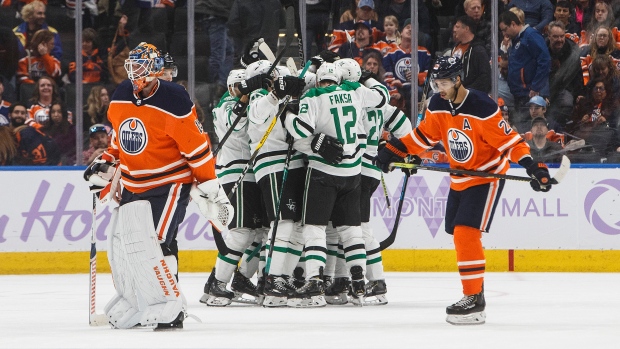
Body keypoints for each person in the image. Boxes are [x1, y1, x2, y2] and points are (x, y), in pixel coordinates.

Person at [374, 56, 554, 325]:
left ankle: (474, 299)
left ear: (458, 80)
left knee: (465, 233)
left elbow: (510, 143)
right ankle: (476, 291)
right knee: (457, 234)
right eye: (436, 83)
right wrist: (395, 149)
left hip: (487, 175)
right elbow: (423, 137)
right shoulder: (437, 104)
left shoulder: (482, 106)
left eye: (444, 82)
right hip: (460, 176)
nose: (440, 88)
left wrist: (532, 166)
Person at [83, 42, 233, 330]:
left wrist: (209, 185)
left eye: (140, 65)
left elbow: (196, 147)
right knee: (128, 245)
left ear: (155, 69)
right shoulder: (122, 94)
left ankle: (170, 305)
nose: (133, 71)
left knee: (154, 242)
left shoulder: (174, 98)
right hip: (132, 181)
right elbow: (120, 138)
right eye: (132, 65)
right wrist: (106, 164)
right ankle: (137, 299)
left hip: (169, 182)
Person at [282, 61, 390, 307]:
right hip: (353, 173)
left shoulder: (313, 97)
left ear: (319, 80)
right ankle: (359, 285)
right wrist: (368, 77)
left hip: (323, 172)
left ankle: (315, 283)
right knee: (351, 231)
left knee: (314, 229)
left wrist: (287, 114)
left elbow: (301, 130)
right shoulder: (355, 91)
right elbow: (383, 98)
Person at [500, 10, 551, 128]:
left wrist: (536, 86)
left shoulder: (530, 35)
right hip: (519, 94)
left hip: (529, 94)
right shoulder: (515, 39)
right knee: (522, 127)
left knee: (529, 127)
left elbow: (545, 60)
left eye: (505, 29)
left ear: (513, 24)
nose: (504, 33)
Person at [383, 18, 432, 115]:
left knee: (416, 91)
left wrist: (417, 77)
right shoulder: (390, 54)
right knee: (392, 97)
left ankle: (415, 123)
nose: (410, 30)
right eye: (408, 28)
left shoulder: (424, 52)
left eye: (413, 29)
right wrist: (394, 89)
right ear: (401, 32)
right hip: (397, 88)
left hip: (416, 88)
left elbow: (428, 75)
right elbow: (387, 77)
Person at [547, 21, 583, 126]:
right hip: (545, 87)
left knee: (566, 102)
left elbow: (577, 76)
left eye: (562, 36)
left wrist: (578, 93)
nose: (559, 40)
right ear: (549, 36)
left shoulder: (573, 50)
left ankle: (559, 129)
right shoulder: (542, 47)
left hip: (564, 88)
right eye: (555, 37)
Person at [196, 0, 234, 96]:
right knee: (218, 56)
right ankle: (210, 88)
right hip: (215, 13)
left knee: (228, 51)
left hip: (209, 12)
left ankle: (221, 84)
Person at [9, 102, 61, 166]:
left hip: (52, 166)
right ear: (9, 115)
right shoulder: (5, 131)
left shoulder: (29, 134)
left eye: (22, 113)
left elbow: (40, 160)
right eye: (16, 112)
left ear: (26, 116)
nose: (19, 115)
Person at [449, 15, 491, 93]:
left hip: (469, 94)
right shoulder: (455, 47)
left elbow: (484, 77)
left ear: (466, 29)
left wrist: (466, 91)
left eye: (457, 27)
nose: (454, 30)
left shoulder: (478, 50)